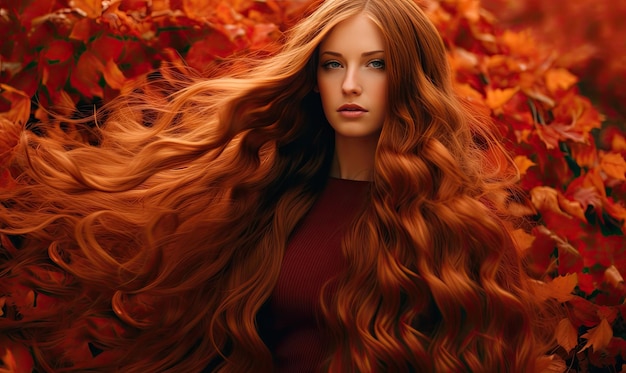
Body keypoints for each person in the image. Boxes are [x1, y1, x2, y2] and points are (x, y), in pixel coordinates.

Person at [0, 0, 559, 371]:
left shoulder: (462, 226)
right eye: (334, 65)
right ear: (313, 78)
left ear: (412, 78)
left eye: (376, 65)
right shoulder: (270, 195)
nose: (352, 85)